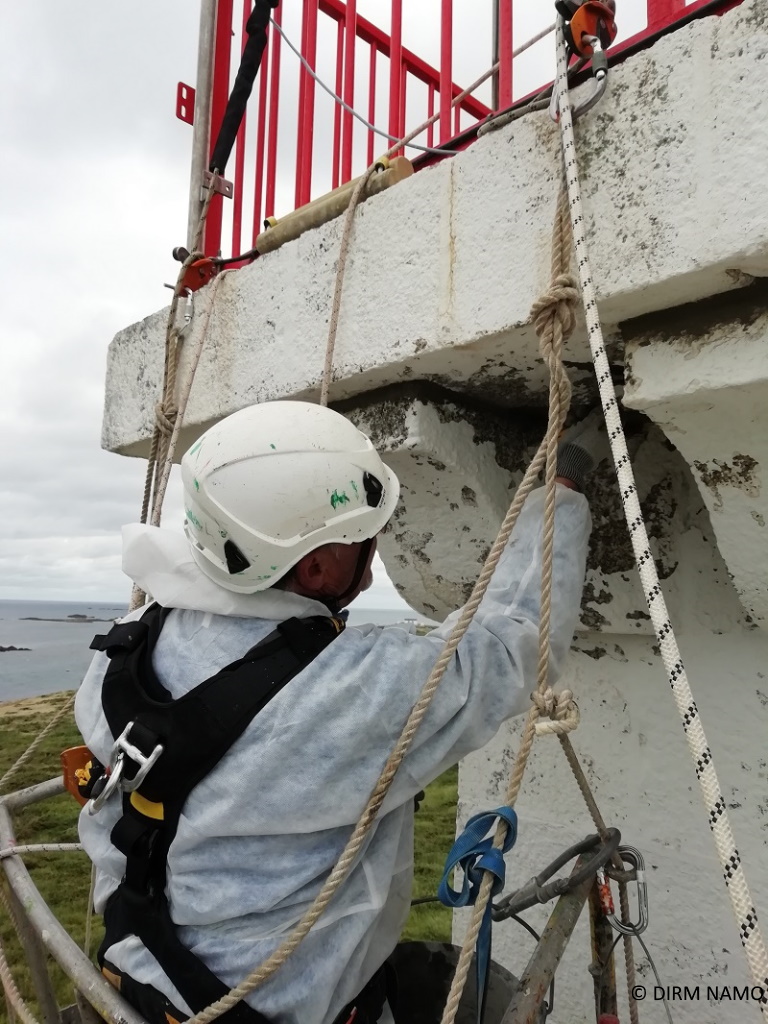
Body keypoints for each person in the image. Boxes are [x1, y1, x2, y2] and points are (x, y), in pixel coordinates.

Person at [75, 399, 601, 1024]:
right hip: (275, 1008)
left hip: (134, 978)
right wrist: (564, 485)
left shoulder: (125, 644)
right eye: (362, 539)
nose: (373, 553)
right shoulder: (353, 687)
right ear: (317, 565)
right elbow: (511, 643)